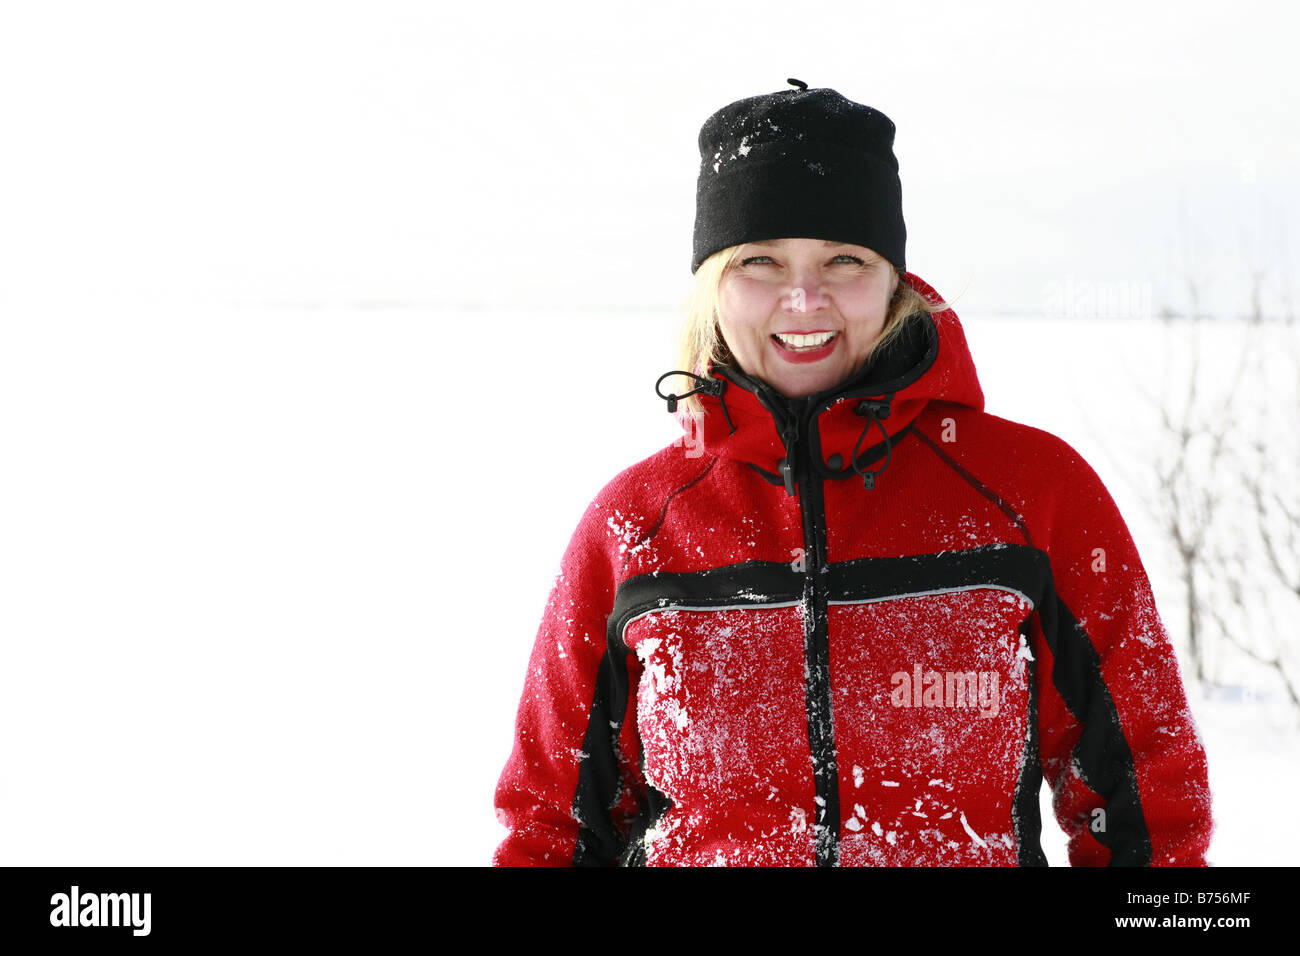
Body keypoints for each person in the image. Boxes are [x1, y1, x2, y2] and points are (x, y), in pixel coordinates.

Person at [492, 79, 1213, 867]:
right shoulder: (635, 524)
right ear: (712, 285)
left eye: (844, 258)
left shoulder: (1032, 492)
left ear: (894, 280)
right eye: (760, 260)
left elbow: (1149, 806)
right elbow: (548, 828)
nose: (804, 298)